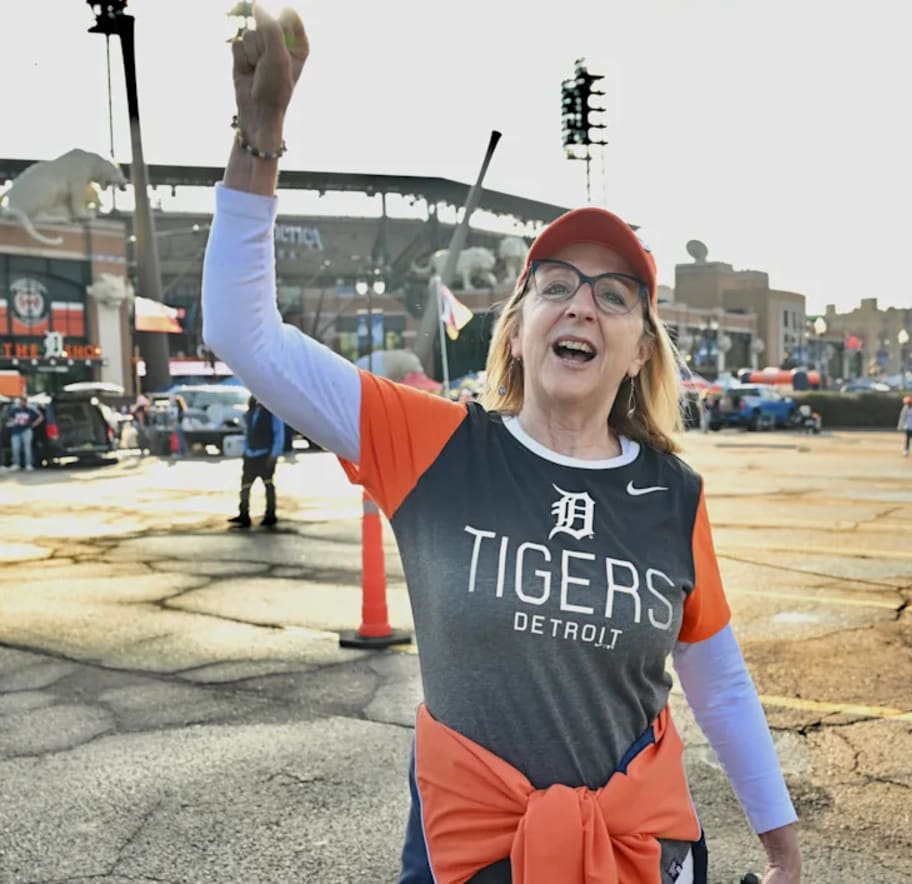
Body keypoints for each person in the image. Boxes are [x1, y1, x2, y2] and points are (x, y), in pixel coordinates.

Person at [201, 9, 802, 883]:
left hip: (639, 853)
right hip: (468, 855)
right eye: (555, 285)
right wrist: (260, 136)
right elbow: (244, 332)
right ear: (516, 331)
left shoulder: (674, 496)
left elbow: (718, 680)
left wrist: (783, 848)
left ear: (641, 351)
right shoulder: (433, 446)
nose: (582, 305)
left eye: (614, 295)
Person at [228, 395, 284, 528]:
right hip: (250, 455)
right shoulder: (251, 413)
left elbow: (279, 434)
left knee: (268, 485)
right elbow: (248, 433)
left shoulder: (272, 414)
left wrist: (274, 454)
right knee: (245, 486)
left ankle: (270, 515)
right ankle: (243, 514)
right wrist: (245, 450)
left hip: (265, 455)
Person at [6, 395, 43, 471]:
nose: (22, 403)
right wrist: (12, 422)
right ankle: (16, 464)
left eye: (24, 401)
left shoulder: (30, 410)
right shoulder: (15, 410)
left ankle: (28, 464)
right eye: (21, 401)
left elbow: (40, 417)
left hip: (26, 430)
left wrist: (33, 424)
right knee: (15, 448)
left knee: (27, 448)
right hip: (16, 431)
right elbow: (10, 418)